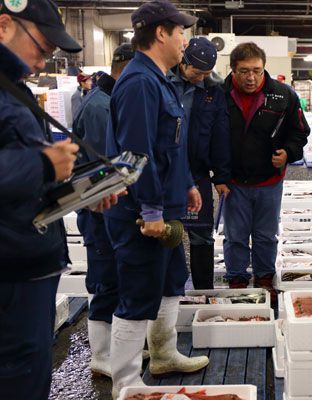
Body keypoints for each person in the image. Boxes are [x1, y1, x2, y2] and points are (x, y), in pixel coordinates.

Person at [0, 1, 116, 398]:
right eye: (42, 45)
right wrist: (44, 164)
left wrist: (78, 194)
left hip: (28, 263)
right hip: (10, 270)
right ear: (4, 26)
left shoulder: (13, 90)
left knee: (31, 372)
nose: (44, 59)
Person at [104, 1, 208, 396]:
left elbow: (170, 147)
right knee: (137, 293)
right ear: (161, 33)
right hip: (140, 214)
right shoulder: (139, 83)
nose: (185, 39)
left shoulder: (160, 78)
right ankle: (125, 382)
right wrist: (150, 210)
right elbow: (136, 152)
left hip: (167, 206)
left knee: (170, 282)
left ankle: (163, 354)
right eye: (180, 31)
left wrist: (186, 185)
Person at [222, 42, 309, 296]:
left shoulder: (284, 95)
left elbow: (300, 132)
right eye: (244, 71)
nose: (251, 77)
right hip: (234, 181)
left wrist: (289, 153)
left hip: (269, 181)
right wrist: (217, 173)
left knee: (265, 235)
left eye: (257, 70)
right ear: (233, 70)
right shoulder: (218, 94)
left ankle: (264, 279)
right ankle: (237, 281)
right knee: (235, 236)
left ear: (264, 68)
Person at [72, 43, 135, 379]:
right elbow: (103, 165)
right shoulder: (99, 106)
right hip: (99, 209)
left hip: (112, 206)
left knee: (115, 276)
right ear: (124, 68)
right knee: (104, 278)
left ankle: (112, 351)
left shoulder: (111, 100)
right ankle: (100, 356)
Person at [169, 37, 230, 289]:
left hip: (198, 172)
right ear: (184, 62)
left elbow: (220, 135)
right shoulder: (162, 82)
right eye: (196, 71)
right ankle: (170, 291)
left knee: (202, 234)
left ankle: (203, 290)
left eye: (206, 73)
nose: (200, 77)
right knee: (168, 231)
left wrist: (222, 176)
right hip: (167, 172)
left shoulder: (214, 91)